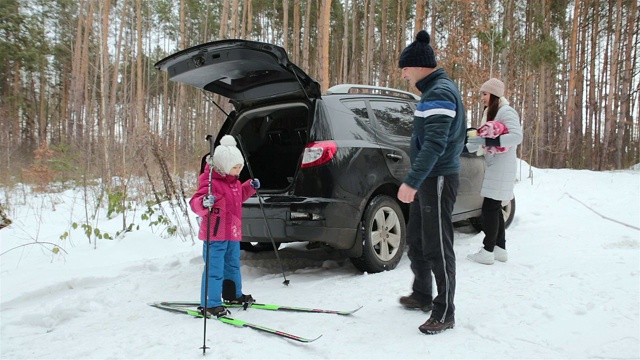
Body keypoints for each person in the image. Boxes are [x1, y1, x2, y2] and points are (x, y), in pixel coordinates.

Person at [396, 30, 466, 335]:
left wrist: (411, 181)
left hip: (437, 178)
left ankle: (445, 311)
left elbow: (435, 144)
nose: (404, 74)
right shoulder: (433, 91)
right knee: (418, 239)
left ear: (419, 65)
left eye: (405, 68)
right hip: (430, 178)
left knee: (438, 245)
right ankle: (423, 293)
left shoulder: (439, 92)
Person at [189, 135, 261, 317]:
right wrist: (204, 202)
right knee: (214, 269)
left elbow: (239, 195)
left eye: (239, 168)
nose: (238, 171)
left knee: (233, 265)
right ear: (223, 166)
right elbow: (195, 203)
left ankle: (233, 294)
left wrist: (250, 186)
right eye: (235, 168)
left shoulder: (235, 183)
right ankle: (210, 303)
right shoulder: (211, 183)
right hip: (215, 234)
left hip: (233, 232)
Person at [466, 78, 523, 265]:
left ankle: (488, 250)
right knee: (495, 207)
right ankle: (500, 248)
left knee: (489, 208)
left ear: (494, 94)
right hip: (496, 164)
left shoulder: (506, 111)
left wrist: (486, 142)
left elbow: (516, 136)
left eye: (485, 94)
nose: (482, 97)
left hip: (502, 165)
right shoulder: (493, 112)